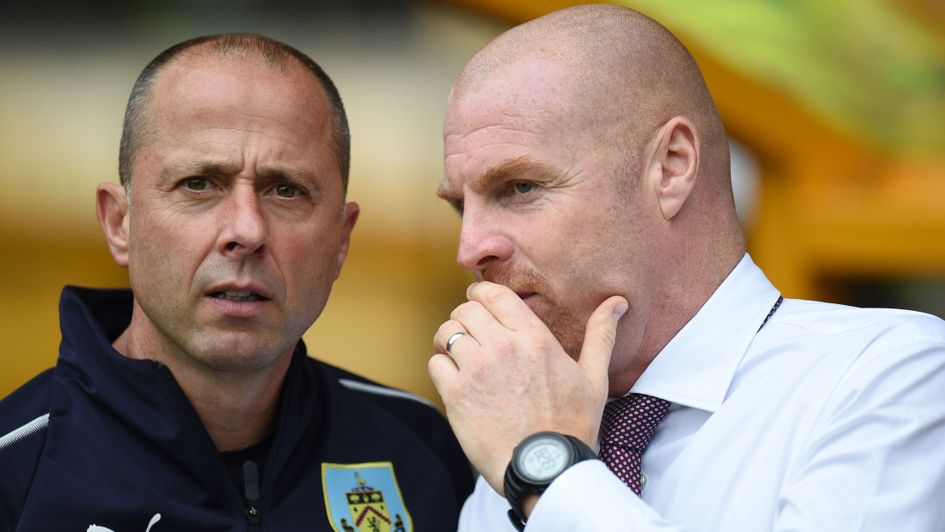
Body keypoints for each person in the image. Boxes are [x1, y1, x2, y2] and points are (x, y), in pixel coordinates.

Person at [429, 4, 945, 531]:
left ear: (671, 166)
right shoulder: (525, 424)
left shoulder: (887, 376)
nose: (470, 248)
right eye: (459, 207)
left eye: (520, 188)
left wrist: (548, 473)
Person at [0, 33, 473, 530]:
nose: (246, 231)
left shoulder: (424, 453)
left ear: (340, 239)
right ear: (120, 223)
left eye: (286, 190)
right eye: (199, 183)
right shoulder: (17, 473)